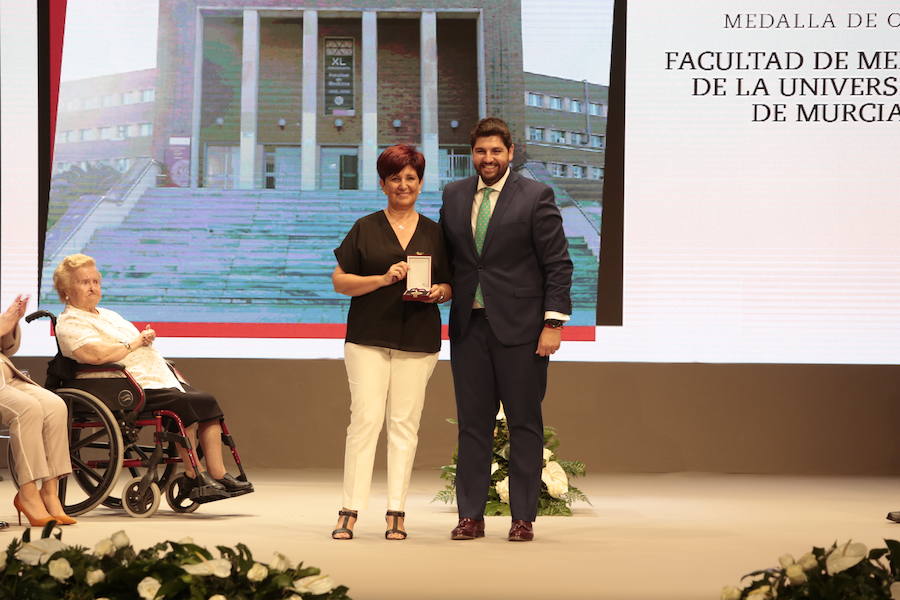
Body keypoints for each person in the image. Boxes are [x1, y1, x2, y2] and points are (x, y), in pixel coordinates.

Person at [440, 117, 573, 542]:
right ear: (472, 154)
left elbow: (558, 264)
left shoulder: (536, 195)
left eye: (496, 151)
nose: (488, 158)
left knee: (524, 424)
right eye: (481, 151)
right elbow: (451, 259)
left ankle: (522, 518)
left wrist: (553, 323)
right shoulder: (454, 194)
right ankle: (470, 517)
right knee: (472, 426)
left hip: (523, 331)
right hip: (469, 328)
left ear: (510, 152)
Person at [52, 254, 252, 501]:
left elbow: (130, 346)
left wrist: (145, 341)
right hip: (117, 385)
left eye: (96, 281)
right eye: (85, 282)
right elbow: (95, 355)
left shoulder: (108, 315)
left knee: (206, 402)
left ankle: (218, 473)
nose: (93, 287)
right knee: (183, 405)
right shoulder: (70, 322)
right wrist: (136, 342)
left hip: (152, 379)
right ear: (66, 290)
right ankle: (194, 475)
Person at [330, 144, 452, 540]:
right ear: (382, 184)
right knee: (364, 421)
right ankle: (349, 509)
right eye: (395, 178)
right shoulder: (365, 227)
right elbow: (340, 281)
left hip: (417, 338)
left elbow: (450, 284)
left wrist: (439, 292)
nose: (403, 185)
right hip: (367, 337)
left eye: (410, 178)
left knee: (404, 424)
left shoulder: (435, 232)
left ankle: (396, 510)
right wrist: (382, 279)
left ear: (420, 183)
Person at [0, 294, 74, 527]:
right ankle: (28, 493)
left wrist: (11, 322)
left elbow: (8, 349)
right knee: (27, 409)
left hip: (7, 377)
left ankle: (49, 492)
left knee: (55, 406)